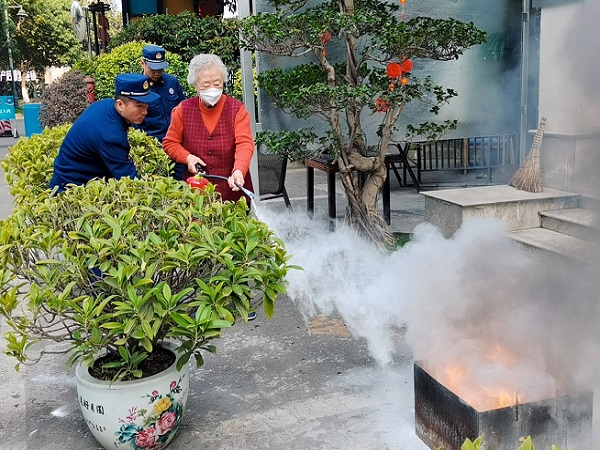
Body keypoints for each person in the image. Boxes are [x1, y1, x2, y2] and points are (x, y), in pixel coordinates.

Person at [162, 54, 255, 203]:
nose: (212, 89)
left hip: (232, 193)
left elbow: (245, 143)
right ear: (195, 85)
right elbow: (170, 143)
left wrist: (239, 169)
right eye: (205, 85)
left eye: (217, 83)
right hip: (196, 194)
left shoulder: (237, 109)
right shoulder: (182, 110)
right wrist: (187, 157)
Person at [49, 73, 159, 193]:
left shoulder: (107, 105)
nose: (145, 112)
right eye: (139, 106)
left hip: (75, 180)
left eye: (146, 106)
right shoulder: (110, 136)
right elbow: (128, 179)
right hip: (70, 192)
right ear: (120, 105)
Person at [134, 44, 187, 180]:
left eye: (160, 68)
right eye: (153, 68)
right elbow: (135, 123)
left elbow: (184, 110)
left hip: (178, 145)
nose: (157, 73)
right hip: (155, 149)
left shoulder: (172, 82)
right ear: (143, 63)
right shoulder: (137, 88)